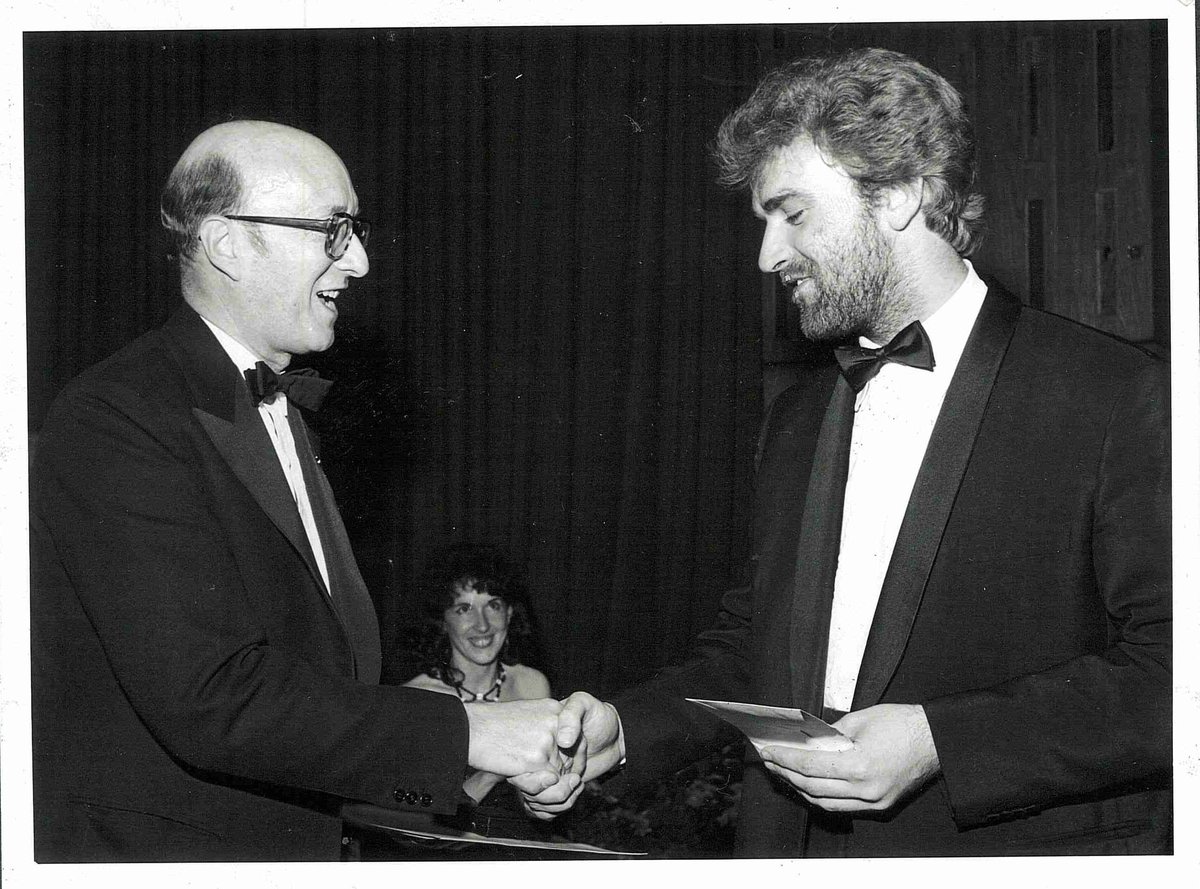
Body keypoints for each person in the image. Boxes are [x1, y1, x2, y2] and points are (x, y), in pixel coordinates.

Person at [530, 48, 1171, 856]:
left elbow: (1175, 673)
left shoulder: (1118, 392)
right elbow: (754, 648)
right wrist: (623, 729)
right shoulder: (798, 415)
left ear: (900, 193)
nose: (767, 255)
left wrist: (942, 739)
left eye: (792, 213)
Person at [29, 120, 575, 862]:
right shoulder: (114, 416)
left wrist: (476, 763)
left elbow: (316, 691)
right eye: (334, 229)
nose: (358, 259)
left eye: (357, 229)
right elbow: (211, 697)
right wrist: (473, 733)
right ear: (228, 244)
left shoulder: (286, 415)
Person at [403, 545, 552, 804]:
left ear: (509, 613)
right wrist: (491, 773)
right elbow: (418, 816)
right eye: (464, 609)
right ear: (442, 619)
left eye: (493, 605)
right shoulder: (418, 698)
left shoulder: (532, 686)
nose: (482, 625)